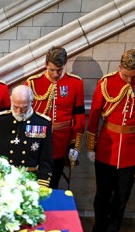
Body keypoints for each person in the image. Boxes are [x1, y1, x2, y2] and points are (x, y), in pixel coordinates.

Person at [86, 48, 135, 232]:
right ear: (119, 67)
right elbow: (95, 115)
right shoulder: (107, 82)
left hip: (132, 151)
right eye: (125, 75)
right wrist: (90, 146)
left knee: (121, 197)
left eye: (134, 75)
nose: (129, 80)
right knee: (102, 195)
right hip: (107, 147)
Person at [27, 46, 86, 189]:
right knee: (33, 184)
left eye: (59, 70)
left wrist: (75, 145)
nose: (55, 74)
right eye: (51, 70)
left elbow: (79, 117)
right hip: (36, 140)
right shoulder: (33, 83)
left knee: (54, 183)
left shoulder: (75, 83)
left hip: (61, 143)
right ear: (45, 64)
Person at [0, 84, 53, 188]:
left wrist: (42, 183)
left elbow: (46, 158)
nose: (19, 112)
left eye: (24, 108)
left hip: (30, 179)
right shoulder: (1, 120)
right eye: (15, 107)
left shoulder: (43, 123)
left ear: (31, 102)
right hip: (4, 178)